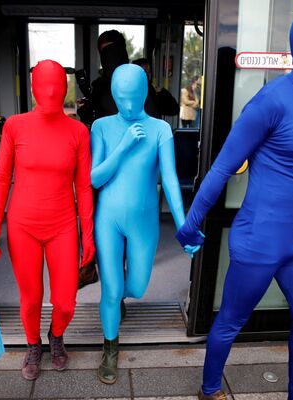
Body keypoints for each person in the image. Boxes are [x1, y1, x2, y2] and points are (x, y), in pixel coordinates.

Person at [175, 4, 293, 400]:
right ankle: (209, 389)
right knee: (231, 321)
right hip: (258, 240)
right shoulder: (269, 102)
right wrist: (191, 222)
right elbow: (222, 168)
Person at [0, 60, 95, 381]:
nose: (50, 91)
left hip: (62, 224)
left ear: (66, 89)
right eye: (44, 85)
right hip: (23, 226)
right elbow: (2, 177)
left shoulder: (78, 131)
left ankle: (56, 335)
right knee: (31, 297)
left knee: (65, 302)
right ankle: (33, 344)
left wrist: (86, 235)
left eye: (57, 85)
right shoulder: (15, 126)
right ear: (32, 88)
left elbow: (84, 187)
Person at [91, 64, 199, 385]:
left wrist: (184, 226)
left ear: (145, 93)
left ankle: (117, 297)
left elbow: (169, 180)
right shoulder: (101, 126)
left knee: (136, 287)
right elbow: (94, 178)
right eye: (122, 98)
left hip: (144, 221)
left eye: (135, 97)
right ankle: (110, 346)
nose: (128, 105)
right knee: (111, 289)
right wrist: (123, 145)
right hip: (107, 219)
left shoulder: (160, 129)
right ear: (113, 95)